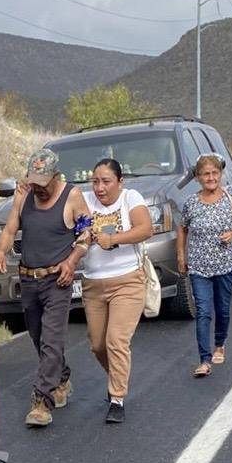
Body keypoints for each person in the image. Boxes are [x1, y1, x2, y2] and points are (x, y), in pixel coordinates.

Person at [0, 148, 91, 428]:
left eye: (43, 182)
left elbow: (86, 234)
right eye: (33, 180)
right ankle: (60, 377)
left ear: (56, 176)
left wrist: (72, 261)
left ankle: (41, 400)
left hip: (57, 279)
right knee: (37, 337)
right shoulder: (24, 195)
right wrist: (1, 253)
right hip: (28, 279)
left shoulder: (72, 196)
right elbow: (10, 229)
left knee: (51, 339)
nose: (38, 187)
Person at [78, 158, 153, 423]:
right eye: (95, 181)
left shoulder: (130, 198)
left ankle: (117, 398)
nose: (100, 187)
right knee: (98, 345)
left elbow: (146, 228)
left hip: (127, 280)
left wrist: (114, 239)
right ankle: (117, 377)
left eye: (107, 181)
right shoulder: (84, 199)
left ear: (120, 182)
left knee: (116, 340)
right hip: (93, 283)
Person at [177, 154, 232, 377]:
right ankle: (204, 360)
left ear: (220, 174)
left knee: (222, 309)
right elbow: (182, 228)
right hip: (199, 267)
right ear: (198, 177)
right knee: (203, 312)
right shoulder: (191, 203)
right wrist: (181, 255)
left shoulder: (230, 198)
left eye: (214, 173)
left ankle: (220, 343)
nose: (211, 177)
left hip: (225, 265)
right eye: (206, 174)